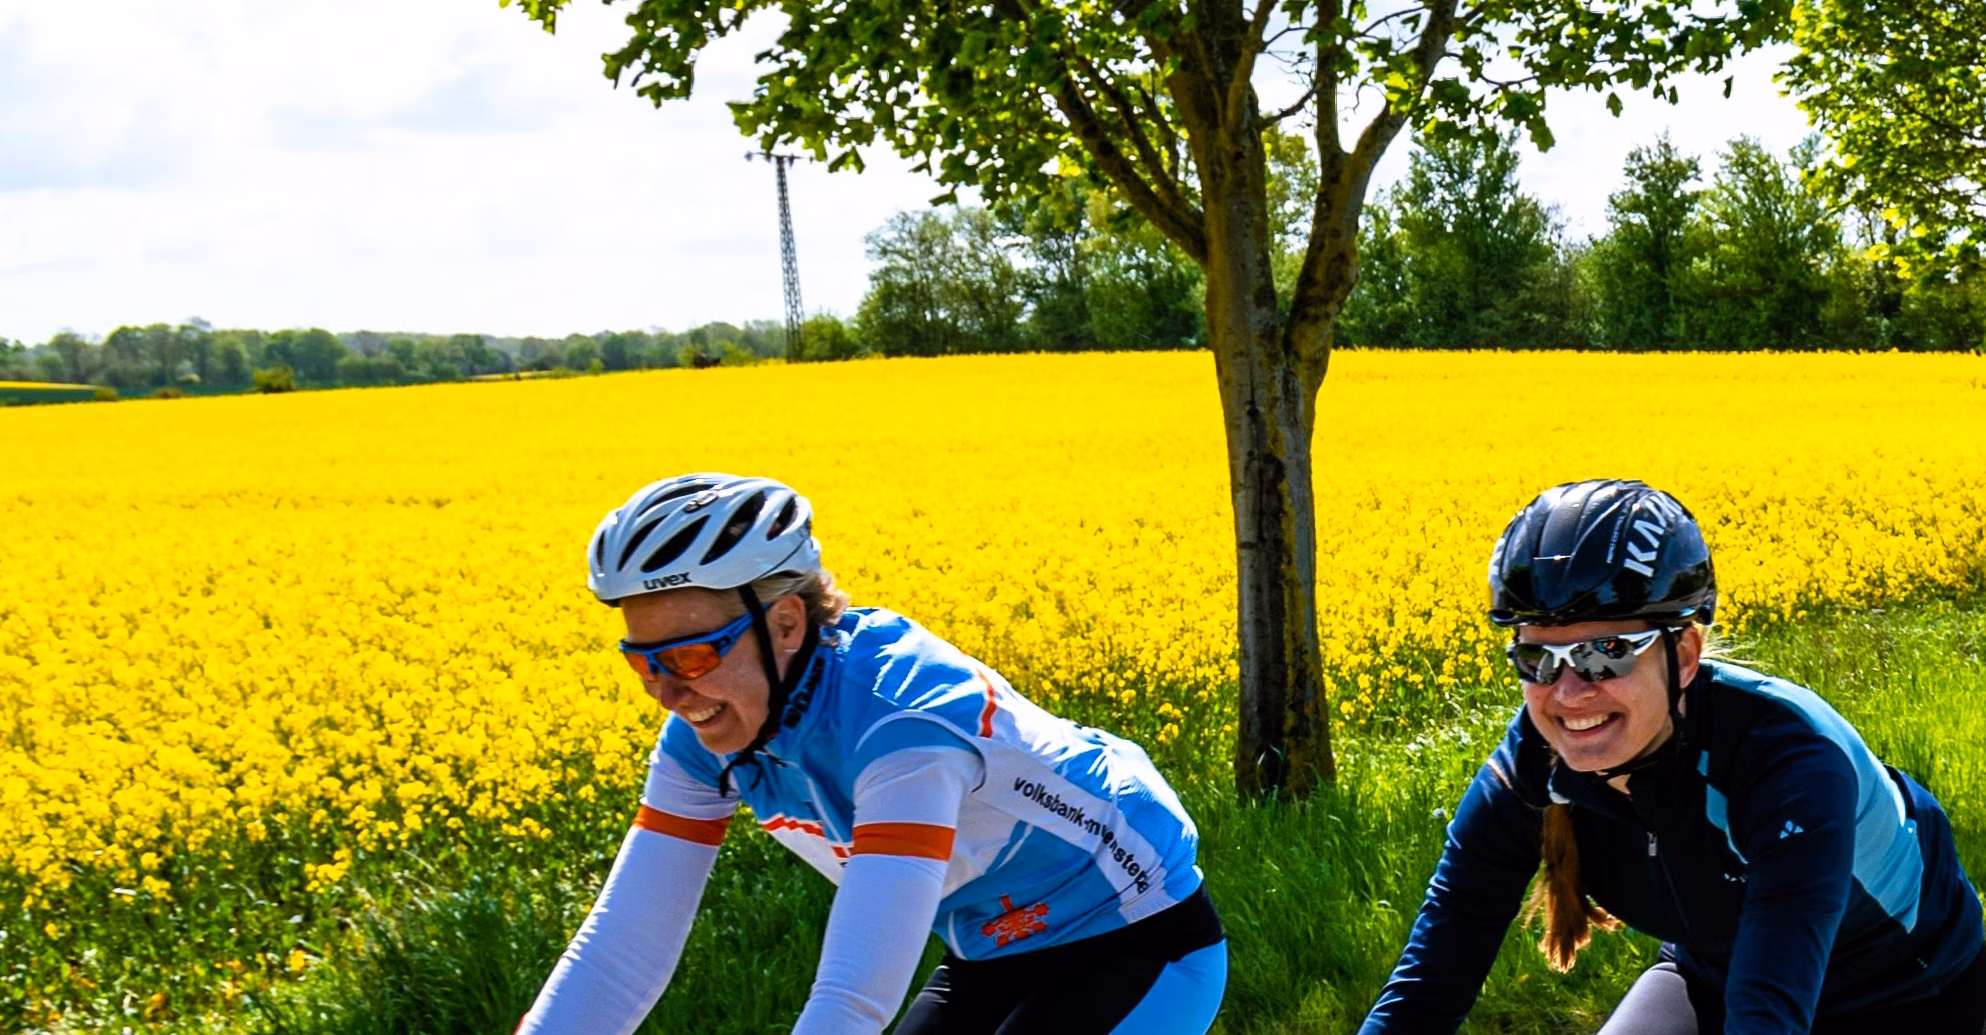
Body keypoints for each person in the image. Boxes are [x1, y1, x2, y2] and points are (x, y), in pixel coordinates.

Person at [518, 473, 1227, 1035]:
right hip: (988, 949)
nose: (668, 692)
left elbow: (853, 997)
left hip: (1137, 937)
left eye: (691, 656)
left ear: (786, 623)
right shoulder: (706, 733)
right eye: (642, 662)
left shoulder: (905, 723)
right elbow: (623, 952)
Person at [1359, 478, 1986, 1035]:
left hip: (1907, 993)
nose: (1569, 693)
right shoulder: (1534, 761)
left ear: (1684, 654)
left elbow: (1768, 1011)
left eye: (1606, 652)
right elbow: (1428, 984)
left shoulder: (1789, 762)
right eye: (1536, 658)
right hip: (1710, 975)